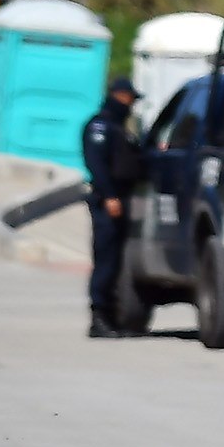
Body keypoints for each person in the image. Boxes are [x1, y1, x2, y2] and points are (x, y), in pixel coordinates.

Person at [80, 76, 146, 339]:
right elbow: (96, 164)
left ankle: (113, 317)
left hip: (123, 199)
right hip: (109, 201)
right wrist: (109, 196)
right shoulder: (100, 125)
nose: (132, 104)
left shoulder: (120, 127)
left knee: (117, 261)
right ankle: (99, 318)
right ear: (120, 96)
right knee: (106, 260)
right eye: (130, 99)